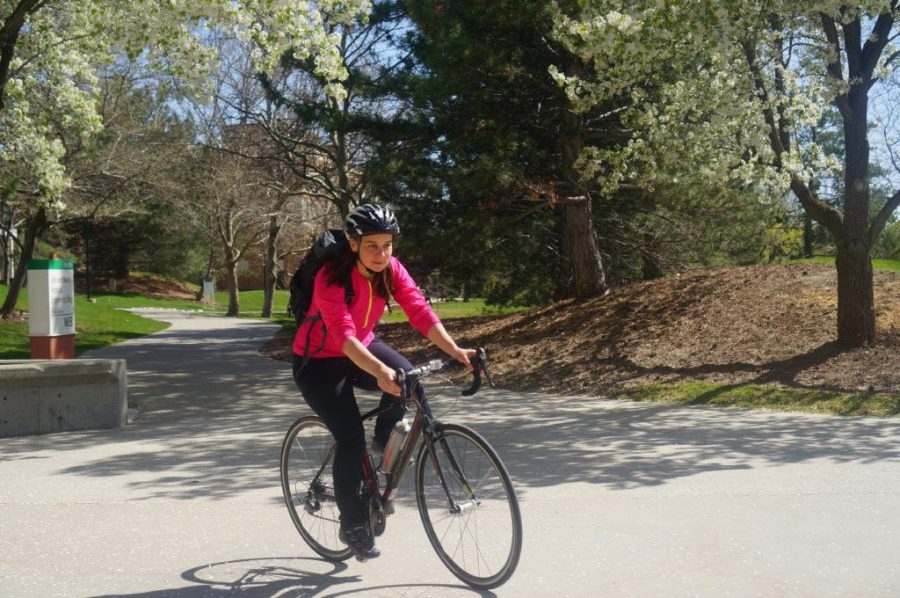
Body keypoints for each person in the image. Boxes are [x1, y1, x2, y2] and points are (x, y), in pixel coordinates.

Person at [291, 203, 474, 561]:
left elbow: (418, 310)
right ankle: (353, 524)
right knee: (349, 439)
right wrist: (378, 370)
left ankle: (382, 446)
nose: (381, 253)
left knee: (411, 383)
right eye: (372, 245)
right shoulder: (331, 276)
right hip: (319, 361)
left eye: (387, 244)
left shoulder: (391, 269)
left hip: (363, 344)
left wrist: (456, 351)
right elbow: (343, 337)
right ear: (354, 244)